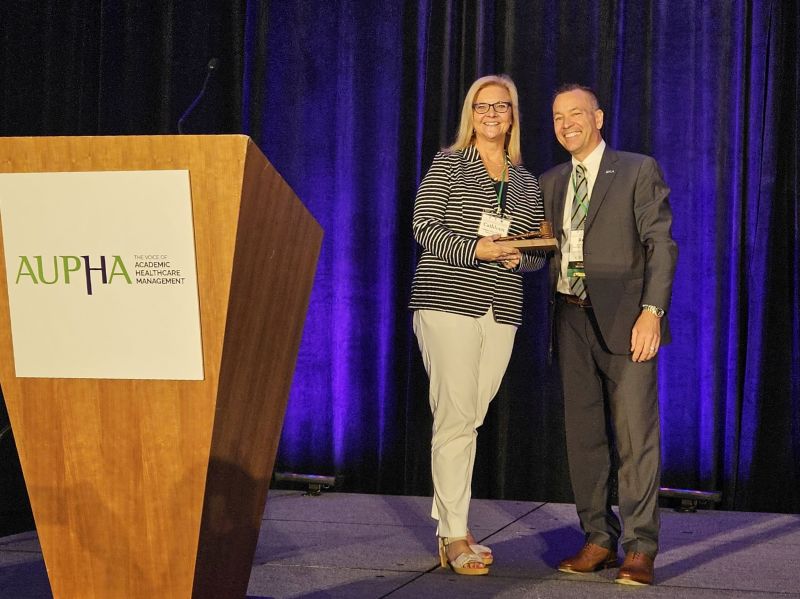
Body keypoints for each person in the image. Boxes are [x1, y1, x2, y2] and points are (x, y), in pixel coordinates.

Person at [538, 84, 677, 586]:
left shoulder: (637, 169)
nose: (566, 123)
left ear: (597, 117)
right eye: (557, 116)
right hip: (569, 318)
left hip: (627, 318)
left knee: (636, 438)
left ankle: (640, 547)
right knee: (585, 439)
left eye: (576, 113)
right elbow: (547, 247)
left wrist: (653, 311)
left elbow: (660, 244)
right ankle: (598, 538)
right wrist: (511, 251)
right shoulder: (552, 180)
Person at [410, 74, 546, 575]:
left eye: (502, 107)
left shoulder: (525, 179)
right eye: (482, 106)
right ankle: (454, 534)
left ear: (513, 115)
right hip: (446, 302)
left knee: (468, 417)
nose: (492, 114)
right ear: (471, 113)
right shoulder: (448, 164)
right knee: (455, 418)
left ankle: (449, 519)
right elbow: (424, 226)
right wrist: (478, 249)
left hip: (501, 310)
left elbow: (535, 249)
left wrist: (519, 261)